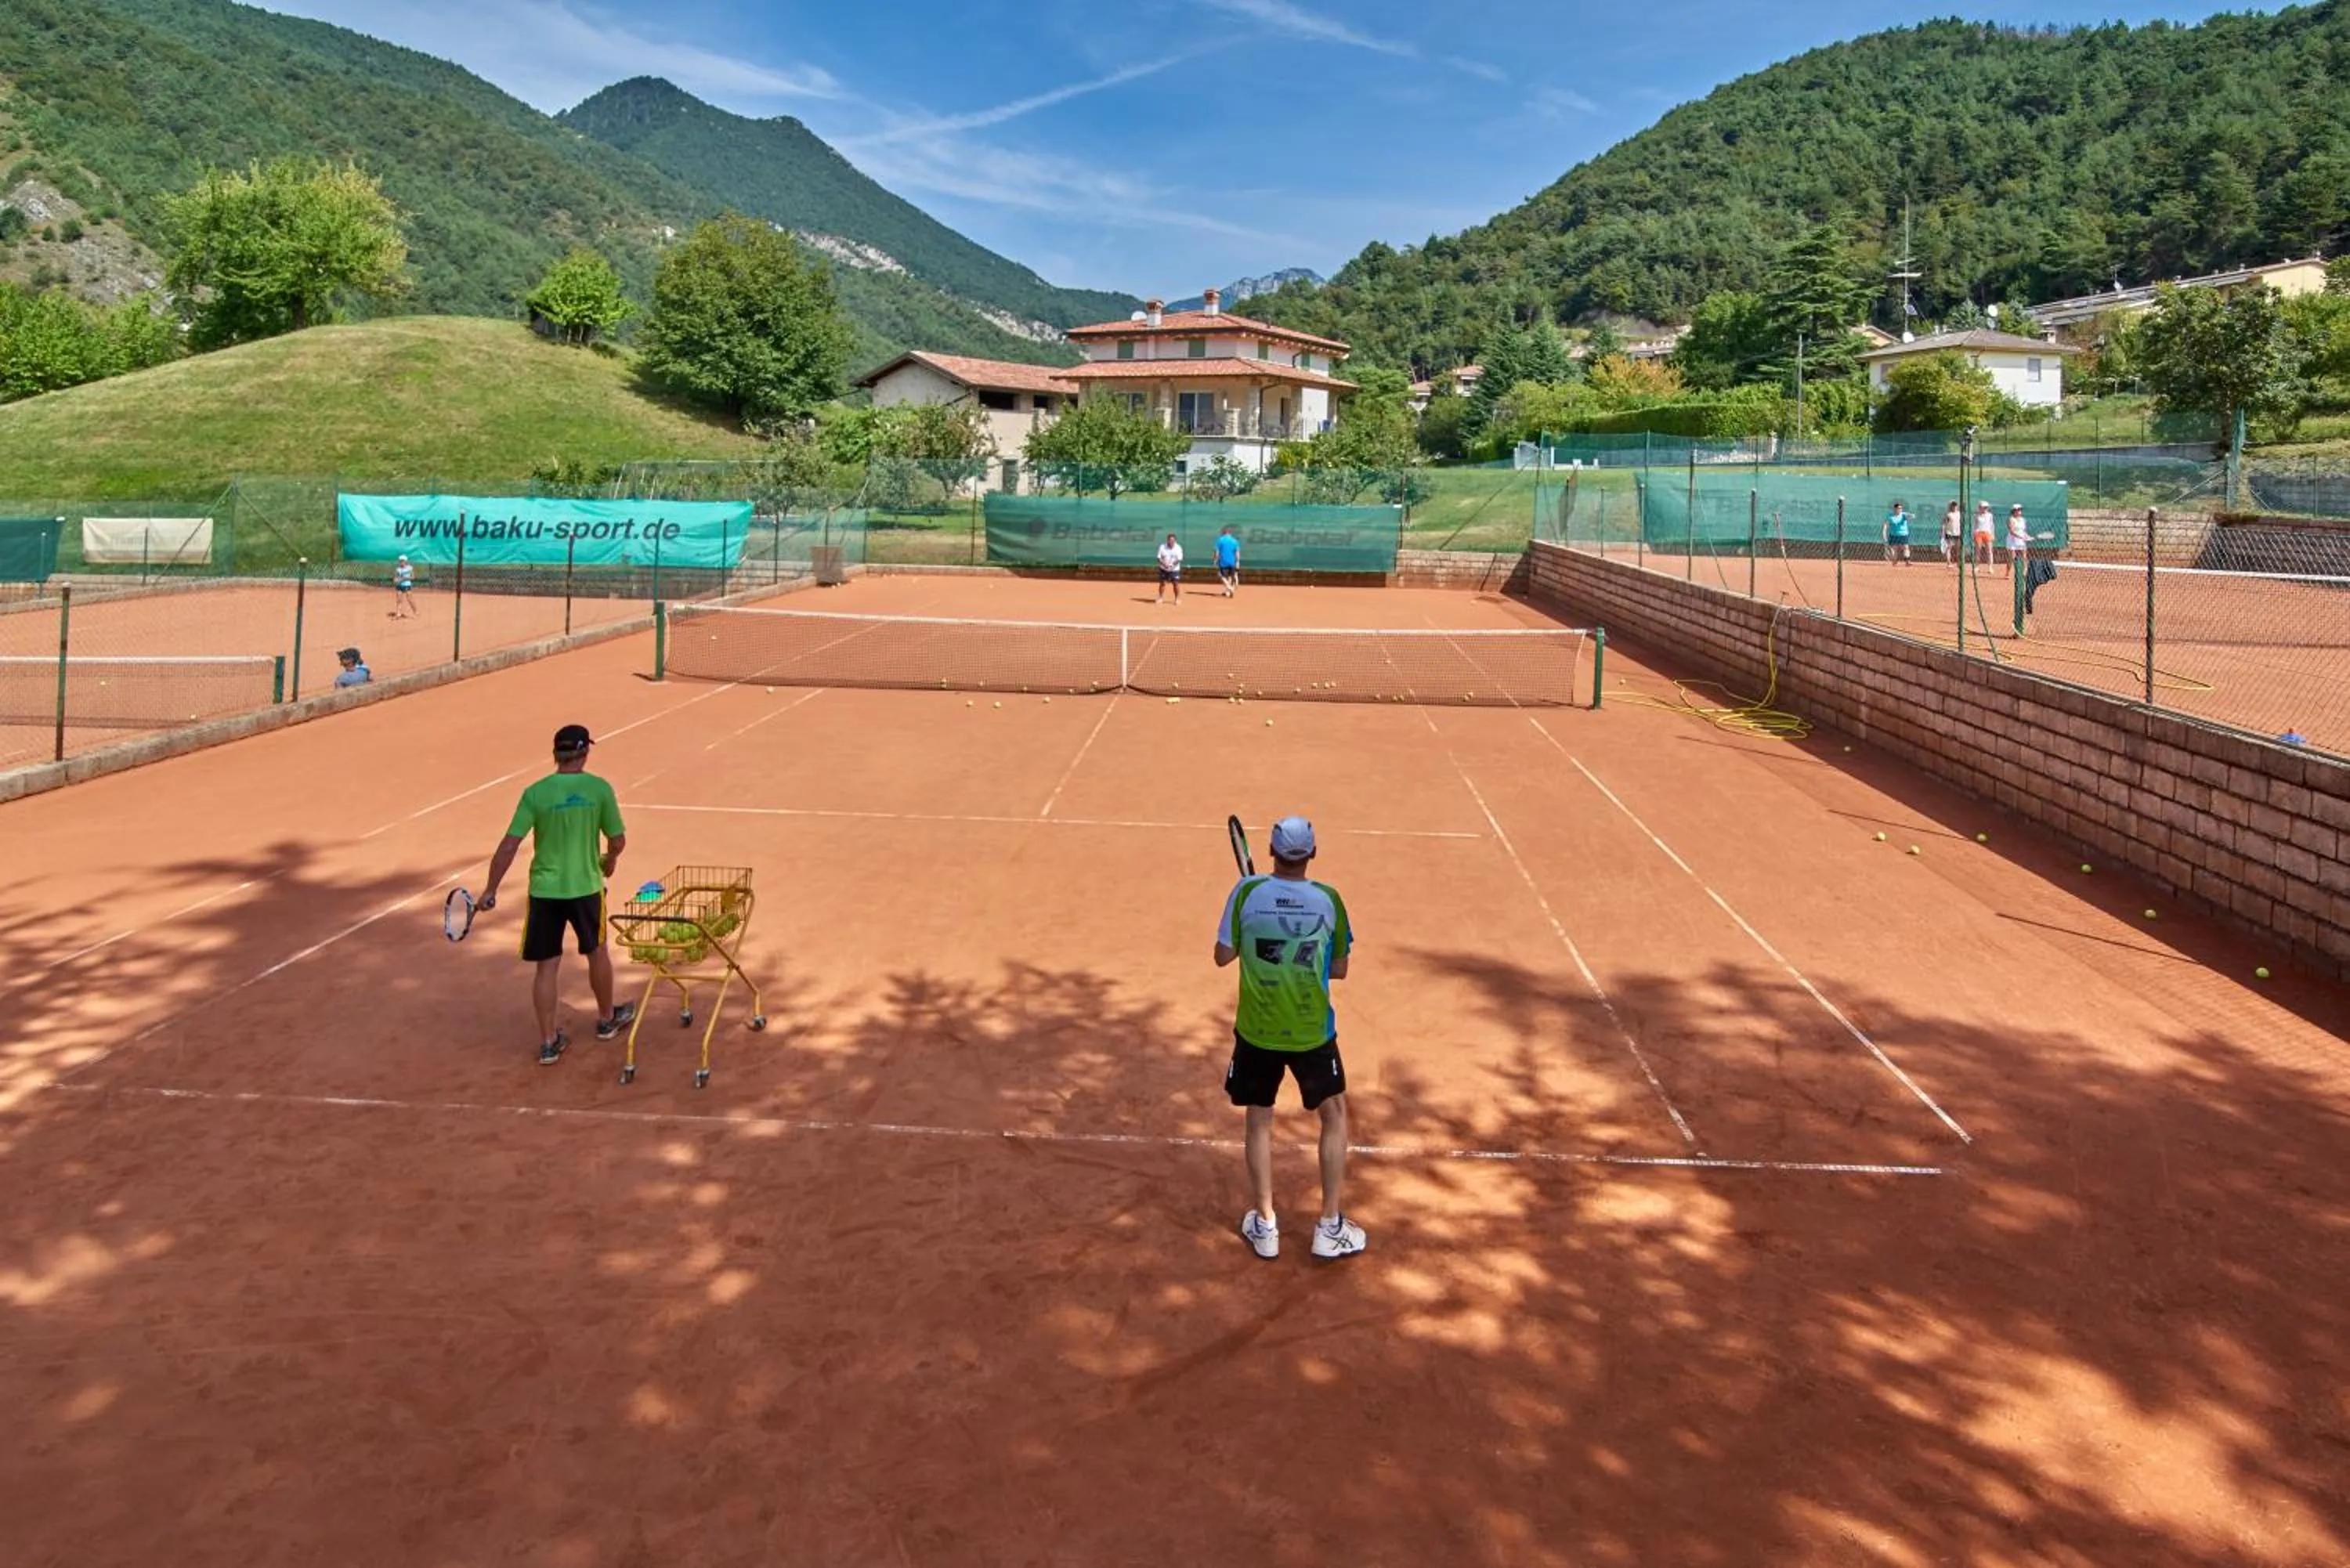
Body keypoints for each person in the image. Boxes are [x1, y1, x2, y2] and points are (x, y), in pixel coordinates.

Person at [1214, 815, 1365, 1262]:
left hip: (1257, 1030)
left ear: (1271, 852)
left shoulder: (1246, 893)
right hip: (1311, 1031)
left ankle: (1265, 1226)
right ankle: (1330, 1226)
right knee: (1334, 1115)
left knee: (1259, 1119)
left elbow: (1223, 955)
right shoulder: (1329, 900)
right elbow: (1339, 969)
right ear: (1312, 854)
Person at [479, 724, 635, 1065]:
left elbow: (509, 845)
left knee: (546, 966)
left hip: (545, 892)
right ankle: (607, 1019)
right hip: (586, 889)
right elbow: (618, 840)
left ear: (556, 754)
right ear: (585, 752)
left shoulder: (535, 793)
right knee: (597, 952)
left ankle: (549, 1042)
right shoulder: (599, 789)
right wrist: (610, 860)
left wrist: (491, 889)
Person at [2005, 504, 2031, 578]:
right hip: (2012, 540)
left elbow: (2023, 531)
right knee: (2012, 557)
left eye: (2020, 510)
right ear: (2014, 511)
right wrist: (2021, 537)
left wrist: (2027, 536)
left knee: (2024, 556)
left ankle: (2025, 571)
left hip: (2021, 540)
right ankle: (2007, 572)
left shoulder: (2023, 520)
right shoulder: (2011, 519)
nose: (2020, 511)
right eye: (2018, 510)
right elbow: (2012, 531)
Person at [1155, 533, 1184, 604]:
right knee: (1162, 583)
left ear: (1175, 541)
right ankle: (1160, 598)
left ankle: (1177, 599)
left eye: (1173, 540)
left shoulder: (1178, 548)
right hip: (1163, 569)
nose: (1171, 542)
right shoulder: (1162, 547)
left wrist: (1171, 565)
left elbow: (1179, 559)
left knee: (1176, 583)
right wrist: (1164, 564)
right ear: (1167, 540)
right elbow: (1159, 558)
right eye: (1170, 540)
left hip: (1174, 569)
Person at [1883, 500, 1913, 566]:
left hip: (1903, 535)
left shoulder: (1904, 515)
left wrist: (1910, 515)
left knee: (1906, 548)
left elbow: (1911, 516)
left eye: (1901, 508)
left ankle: (1907, 561)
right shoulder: (1890, 517)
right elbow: (1886, 526)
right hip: (1893, 535)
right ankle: (1895, 561)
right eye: (1898, 508)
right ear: (1895, 509)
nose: (1900, 510)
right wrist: (1884, 536)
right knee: (1895, 550)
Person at [1214, 525, 1241, 597]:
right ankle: (1228, 592)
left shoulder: (1220, 540)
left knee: (1221, 575)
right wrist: (1238, 561)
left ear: (1224, 532)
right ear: (1230, 533)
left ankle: (1230, 588)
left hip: (1223, 561)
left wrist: (1216, 559)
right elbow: (1237, 552)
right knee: (1230, 577)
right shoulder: (1235, 541)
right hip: (1232, 562)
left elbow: (1217, 551)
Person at [391, 555, 417, 619]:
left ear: (406, 561)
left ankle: (415, 612)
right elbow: (396, 577)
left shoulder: (410, 568)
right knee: (399, 599)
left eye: (403, 561)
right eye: (400, 561)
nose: (401, 562)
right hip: (399, 586)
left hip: (407, 585)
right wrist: (395, 580)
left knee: (409, 599)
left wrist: (404, 579)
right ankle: (398, 614)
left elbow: (413, 577)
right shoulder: (398, 569)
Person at [1972, 501, 1995, 568]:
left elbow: (1992, 525)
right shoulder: (1976, 515)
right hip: (1978, 533)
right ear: (1980, 508)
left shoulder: (1990, 515)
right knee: (1978, 551)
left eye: (1986, 508)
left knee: (1989, 551)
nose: (1985, 509)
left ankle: (1990, 567)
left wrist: (1993, 534)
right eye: (1984, 507)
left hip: (1987, 533)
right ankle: (1977, 566)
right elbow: (1974, 525)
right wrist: (1973, 534)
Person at [1940, 500, 1963, 566]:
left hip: (1958, 533)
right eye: (1953, 505)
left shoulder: (1959, 514)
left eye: (1955, 505)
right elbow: (1944, 524)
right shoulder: (1948, 515)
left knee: (1958, 549)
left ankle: (1959, 562)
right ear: (1950, 506)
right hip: (1950, 533)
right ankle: (1949, 562)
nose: (1954, 507)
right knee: (1949, 548)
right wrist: (1943, 533)